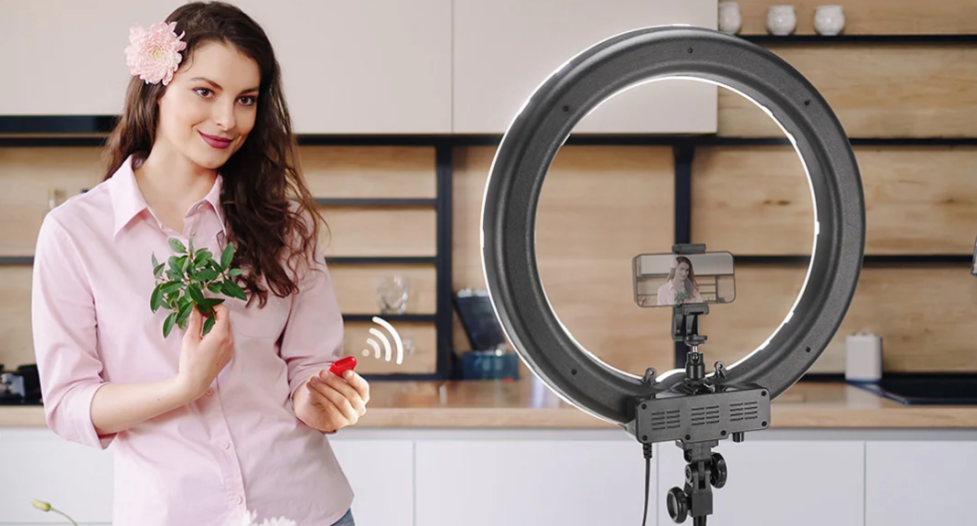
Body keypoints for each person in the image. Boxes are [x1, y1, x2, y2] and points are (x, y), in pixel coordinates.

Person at [30, 3, 366, 525]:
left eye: (246, 99)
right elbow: (69, 404)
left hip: (304, 509)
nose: (228, 120)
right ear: (157, 89)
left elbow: (308, 364)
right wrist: (183, 387)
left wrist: (319, 401)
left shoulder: (285, 224)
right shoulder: (76, 233)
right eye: (205, 92)